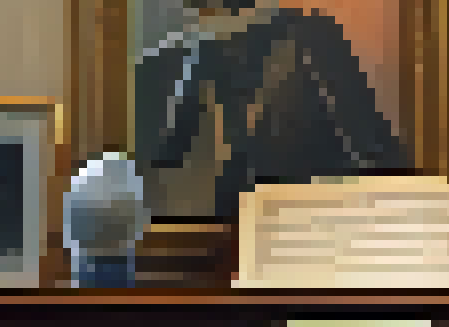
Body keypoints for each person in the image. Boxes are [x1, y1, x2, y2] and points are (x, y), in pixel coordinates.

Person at [133, 1, 410, 220]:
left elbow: (170, 150)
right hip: (271, 216)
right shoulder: (313, 34)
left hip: (282, 216)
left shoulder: (308, 40)